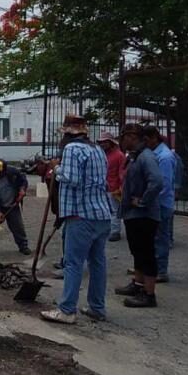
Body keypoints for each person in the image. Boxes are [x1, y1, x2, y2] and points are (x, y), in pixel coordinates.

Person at [41, 115, 112, 325]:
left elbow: (72, 179)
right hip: (102, 214)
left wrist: (56, 168)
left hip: (81, 215)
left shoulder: (72, 150)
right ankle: (97, 308)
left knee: (73, 263)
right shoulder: (98, 150)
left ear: (68, 134)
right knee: (98, 262)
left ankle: (67, 310)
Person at [114, 124, 164, 307]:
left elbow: (157, 181)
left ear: (133, 137)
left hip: (144, 215)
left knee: (146, 253)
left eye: (124, 136)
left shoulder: (146, 157)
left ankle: (149, 294)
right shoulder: (134, 157)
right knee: (137, 252)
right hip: (133, 214)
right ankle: (137, 283)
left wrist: (142, 201)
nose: (121, 140)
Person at [146, 126, 176, 282]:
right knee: (151, 238)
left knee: (160, 238)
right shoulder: (155, 154)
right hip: (154, 203)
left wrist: (147, 199)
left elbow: (163, 185)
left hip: (161, 204)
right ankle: (149, 267)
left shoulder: (164, 157)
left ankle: (161, 270)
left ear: (153, 138)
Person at [99, 131, 126, 241]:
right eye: (101, 142)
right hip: (103, 187)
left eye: (105, 142)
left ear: (111, 143)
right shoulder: (103, 154)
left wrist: (121, 187)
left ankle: (115, 231)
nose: (103, 144)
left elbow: (122, 173)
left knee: (114, 211)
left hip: (114, 188)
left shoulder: (119, 155)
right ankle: (108, 230)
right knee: (105, 211)